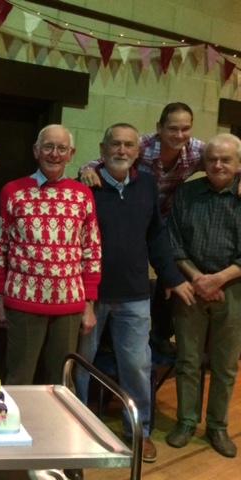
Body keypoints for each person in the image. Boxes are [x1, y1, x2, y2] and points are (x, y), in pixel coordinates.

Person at [75, 123, 195, 463]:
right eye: (115, 144)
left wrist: (171, 277)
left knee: (138, 365)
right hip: (90, 295)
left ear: (138, 151)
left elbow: (157, 236)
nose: (122, 150)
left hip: (134, 295)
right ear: (102, 148)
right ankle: (78, 428)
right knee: (81, 364)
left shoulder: (146, 186)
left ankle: (139, 431)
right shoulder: (85, 186)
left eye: (129, 145)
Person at [79, 102, 205, 357]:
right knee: (84, 356)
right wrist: (86, 170)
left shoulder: (193, 152)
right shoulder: (140, 146)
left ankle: (156, 338)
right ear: (159, 128)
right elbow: (103, 159)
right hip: (93, 285)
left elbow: (225, 160)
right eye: (173, 128)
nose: (179, 135)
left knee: (138, 360)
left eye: (185, 128)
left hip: (157, 226)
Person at [0, 124, 101, 386]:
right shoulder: (13, 191)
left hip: (69, 305)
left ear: (71, 153)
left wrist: (89, 305)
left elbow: (92, 250)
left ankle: (58, 429)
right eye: (48, 147)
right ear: (36, 151)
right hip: (22, 302)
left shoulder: (82, 195)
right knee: (19, 378)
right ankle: (16, 427)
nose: (54, 153)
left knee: (62, 381)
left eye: (61, 148)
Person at [166, 133, 241, 459]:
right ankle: (186, 421)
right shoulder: (187, 193)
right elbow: (173, 240)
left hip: (234, 290)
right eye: (212, 159)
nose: (218, 165)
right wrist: (199, 279)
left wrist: (220, 279)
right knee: (188, 361)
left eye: (226, 159)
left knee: (225, 366)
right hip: (191, 289)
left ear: (238, 163)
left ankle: (217, 427)